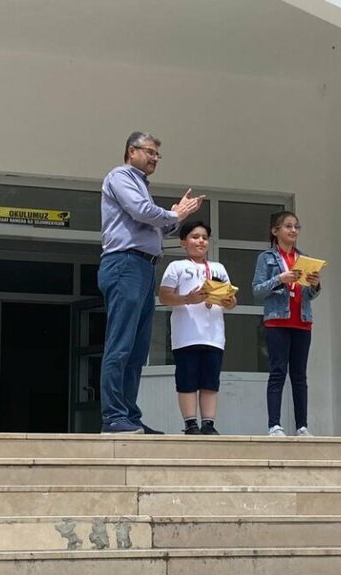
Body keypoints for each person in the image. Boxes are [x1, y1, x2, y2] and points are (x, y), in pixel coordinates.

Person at [98, 131, 203, 434]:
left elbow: (159, 226)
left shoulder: (142, 185)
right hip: (125, 263)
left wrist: (174, 216)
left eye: (158, 155)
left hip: (143, 267)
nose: (155, 158)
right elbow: (142, 212)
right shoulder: (120, 176)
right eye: (150, 152)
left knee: (136, 348)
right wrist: (173, 213)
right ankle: (113, 416)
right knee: (120, 345)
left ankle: (129, 415)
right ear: (131, 151)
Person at [159, 221, 237, 435]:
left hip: (214, 336)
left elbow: (231, 300)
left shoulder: (218, 268)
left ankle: (208, 424)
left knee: (210, 381)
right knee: (187, 380)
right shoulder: (176, 267)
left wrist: (228, 302)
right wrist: (188, 299)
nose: (200, 241)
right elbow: (164, 296)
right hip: (186, 335)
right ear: (183, 242)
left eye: (204, 237)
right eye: (195, 237)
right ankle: (190, 423)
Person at [252, 211, 321, 437]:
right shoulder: (267, 258)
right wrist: (279, 279)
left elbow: (309, 295)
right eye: (288, 226)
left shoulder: (304, 258)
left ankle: (302, 426)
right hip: (277, 320)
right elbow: (257, 291)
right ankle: (274, 425)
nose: (293, 231)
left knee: (300, 375)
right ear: (275, 231)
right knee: (278, 371)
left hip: (302, 321)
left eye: (296, 227)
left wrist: (315, 285)